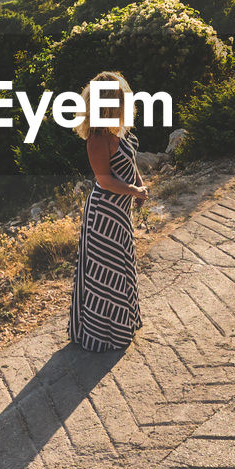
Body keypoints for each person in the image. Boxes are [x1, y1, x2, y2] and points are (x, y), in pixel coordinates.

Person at [68, 70, 147, 351]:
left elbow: (129, 164)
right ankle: (103, 334)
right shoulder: (97, 139)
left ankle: (122, 323)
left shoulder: (117, 131)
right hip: (104, 215)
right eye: (121, 98)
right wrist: (134, 191)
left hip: (120, 212)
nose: (127, 102)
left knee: (119, 266)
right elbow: (104, 179)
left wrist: (139, 184)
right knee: (106, 272)